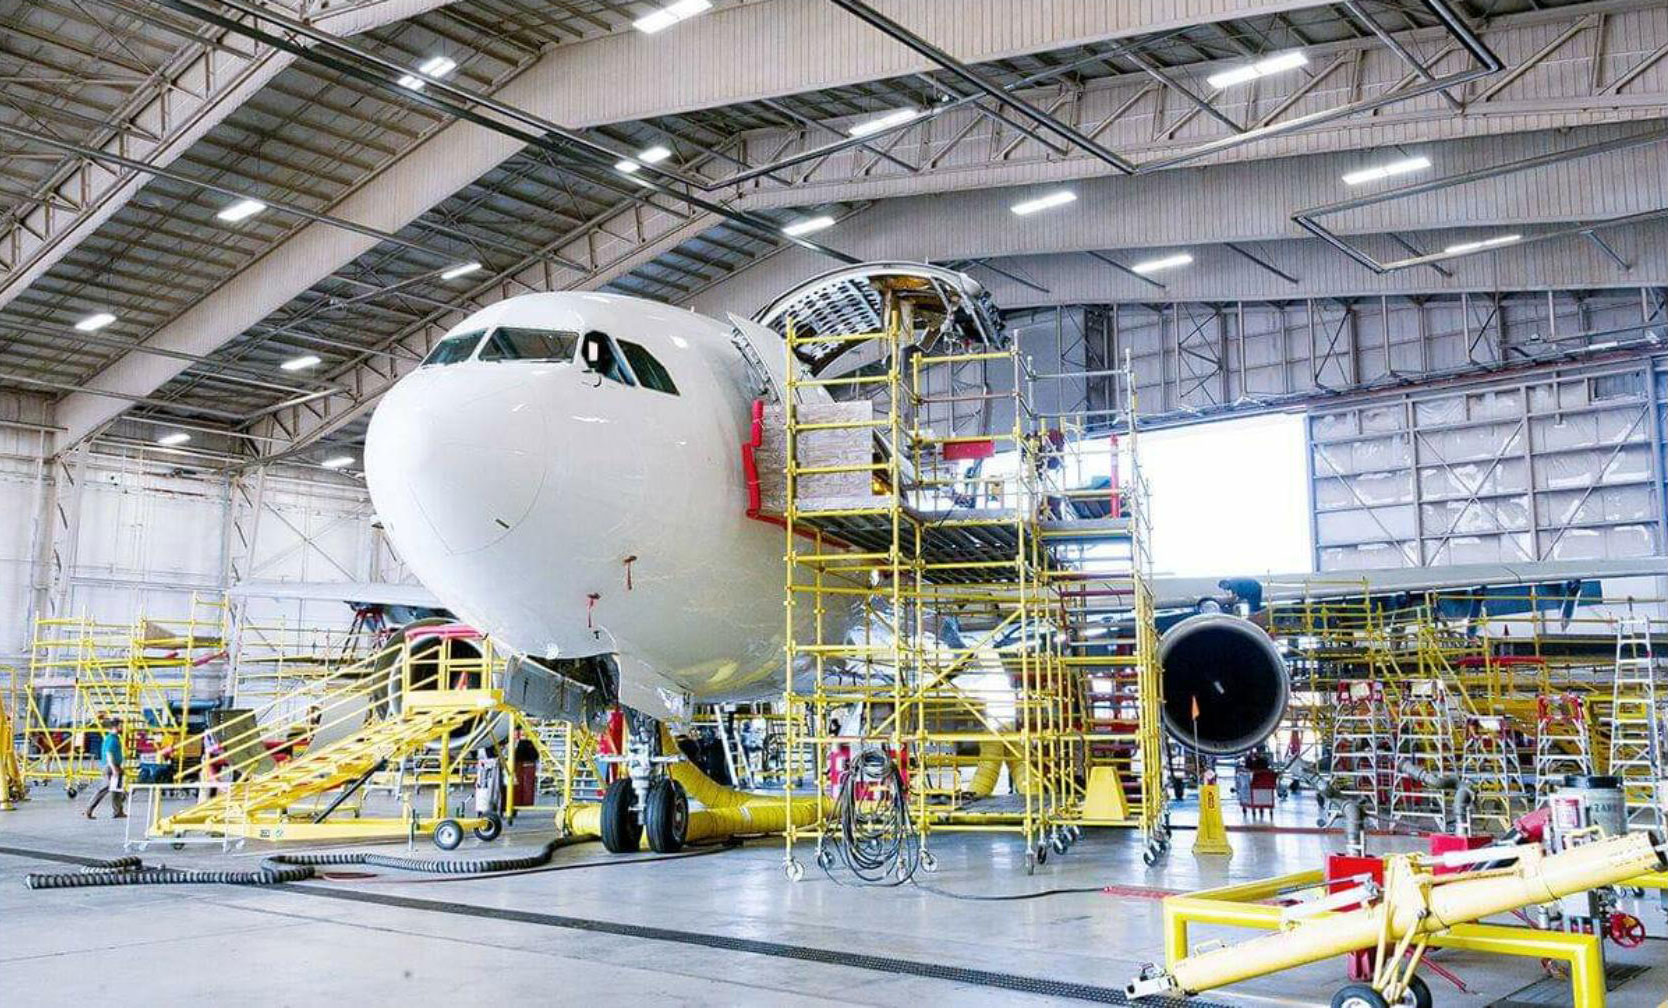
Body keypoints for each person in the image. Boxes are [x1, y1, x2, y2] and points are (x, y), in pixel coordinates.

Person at [85, 718, 126, 819]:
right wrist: (114, 768)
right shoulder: (111, 739)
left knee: (117, 791)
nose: (123, 728)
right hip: (111, 767)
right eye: (121, 726)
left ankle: (118, 811)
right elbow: (109, 753)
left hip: (115, 766)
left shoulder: (115, 738)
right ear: (115, 727)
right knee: (105, 788)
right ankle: (88, 810)